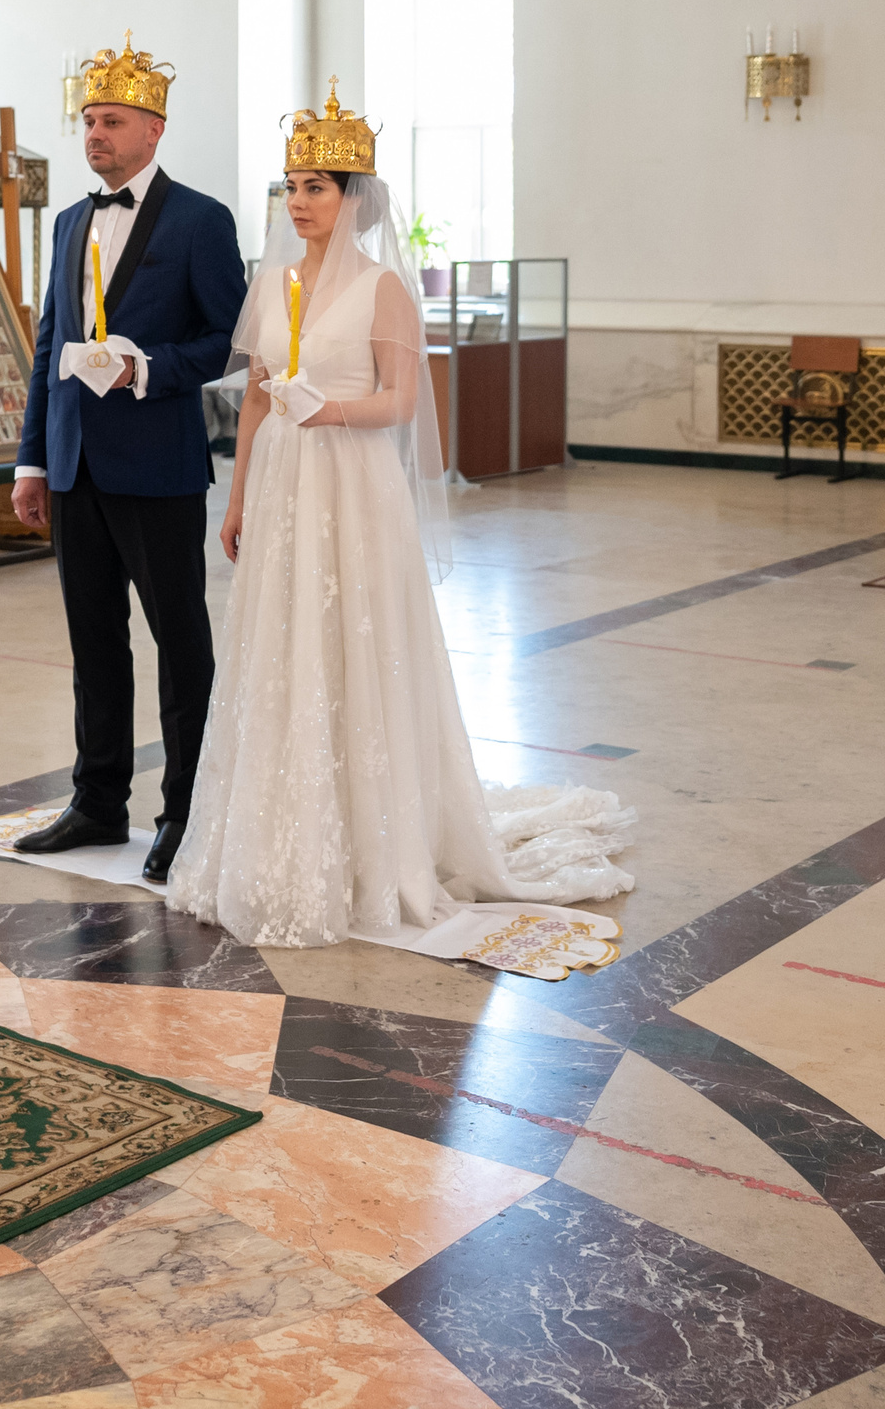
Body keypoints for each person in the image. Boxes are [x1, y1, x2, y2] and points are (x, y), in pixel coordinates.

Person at [166, 87, 633, 945]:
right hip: (280, 479)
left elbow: (402, 403)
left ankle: (373, 839)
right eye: (290, 186)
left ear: (354, 198)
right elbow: (260, 400)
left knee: (354, 641)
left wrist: (327, 410)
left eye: (315, 186)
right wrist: (235, 500)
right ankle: (273, 832)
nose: (298, 202)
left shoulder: (384, 289)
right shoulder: (270, 284)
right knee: (280, 645)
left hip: (351, 481)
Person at [9, 37, 248, 883]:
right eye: (88, 120)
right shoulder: (72, 221)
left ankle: (187, 806)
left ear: (153, 128)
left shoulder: (201, 220)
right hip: (75, 465)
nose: (94, 134)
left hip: (158, 464)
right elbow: (49, 346)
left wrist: (152, 368)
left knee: (181, 642)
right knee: (93, 641)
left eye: (110, 120)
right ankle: (97, 798)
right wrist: (31, 459)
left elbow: (231, 341)